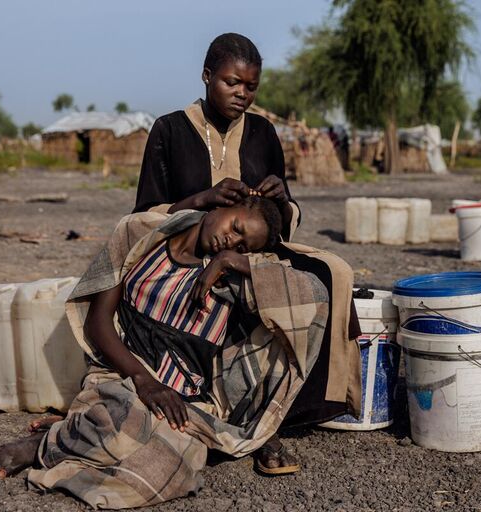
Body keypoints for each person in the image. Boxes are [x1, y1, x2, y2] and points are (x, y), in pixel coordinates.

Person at [0, 197, 332, 508]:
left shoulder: (232, 278)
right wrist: (144, 381)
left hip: (185, 401)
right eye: (236, 227)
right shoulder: (141, 240)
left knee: (175, 466)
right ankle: (47, 445)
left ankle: (77, 432)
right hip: (123, 375)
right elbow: (98, 321)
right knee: (125, 416)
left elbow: (314, 295)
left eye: (242, 245)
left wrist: (234, 262)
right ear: (221, 207)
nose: (232, 240)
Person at [132, 32, 362, 469]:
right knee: (248, 294)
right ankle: (249, 422)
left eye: (251, 87)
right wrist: (201, 200)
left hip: (248, 249)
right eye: (231, 83)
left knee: (330, 275)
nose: (242, 94)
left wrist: (282, 200)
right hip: (185, 252)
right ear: (206, 77)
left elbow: (276, 222)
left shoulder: (262, 132)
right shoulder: (169, 130)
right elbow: (144, 216)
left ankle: (289, 409)